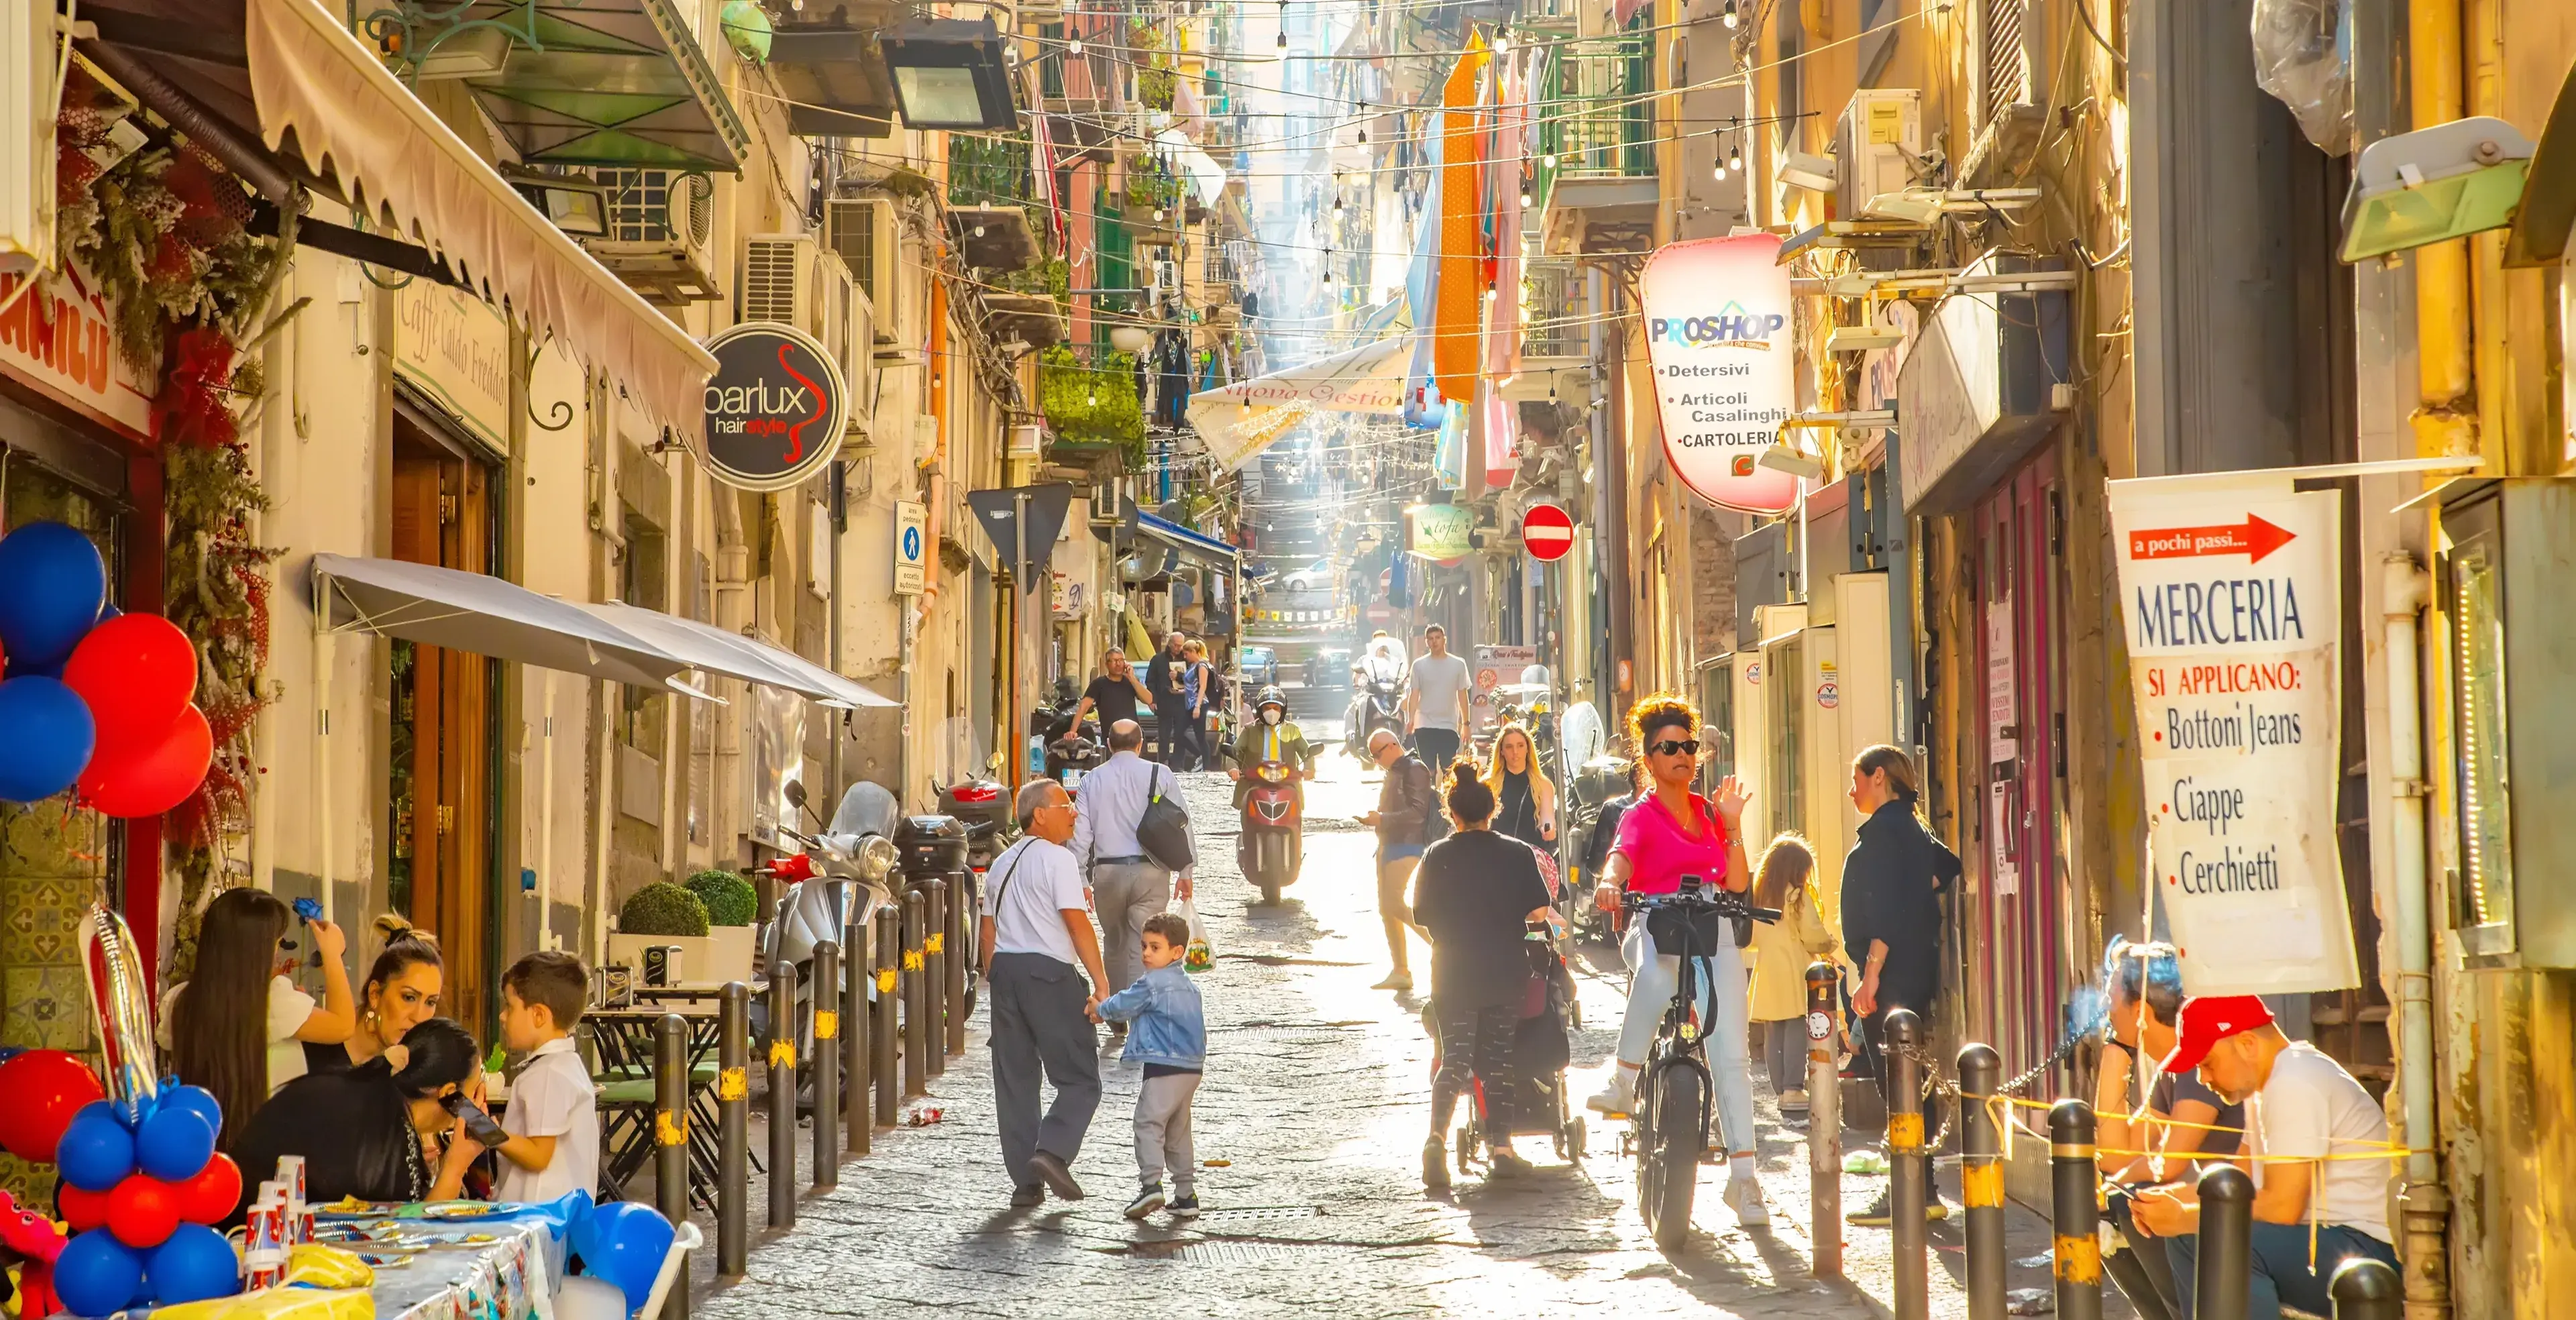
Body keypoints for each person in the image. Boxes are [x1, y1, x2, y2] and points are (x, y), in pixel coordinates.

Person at [1585, 695, 1766, 1227]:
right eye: (1669, 748)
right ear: (1649, 759)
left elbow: (1736, 881)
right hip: (1655, 920)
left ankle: (1744, 1181)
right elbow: (1621, 856)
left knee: (1732, 1055)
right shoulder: (1639, 814)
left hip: (1710, 924)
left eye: (1688, 746)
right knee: (1656, 971)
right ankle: (1623, 1080)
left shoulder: (1710, 813)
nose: (1682, 755)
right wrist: (1609, 884)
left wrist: (1732, 824)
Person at [2134, 995, 2397, 1320]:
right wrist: (2173, 1200)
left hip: (2364, 1252)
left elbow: (2284, 1208)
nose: (2203, 1079)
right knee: (2192, 1233)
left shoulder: (2294, 1080)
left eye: (2208, 1063)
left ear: (2247, 1044)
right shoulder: (2268, 1082)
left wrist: (2186, 1216)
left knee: (2204, 1236)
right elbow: (2236, 1185)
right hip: (2332, 1243)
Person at [1410, 759, 1553, 1189]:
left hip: (1453, 971)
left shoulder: (1437, 854)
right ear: (1493, 810)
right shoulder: (1518, 853)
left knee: (1454, 1059)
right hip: (1504, 969)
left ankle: (1435, 1140)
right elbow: (1540, 911)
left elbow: (1420, 914)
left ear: (1452, 813)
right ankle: (1502, 1149)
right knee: (1497, 1060)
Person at [1839, 742, 1962, 1227]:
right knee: (1908, 1080)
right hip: (1909, 968)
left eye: (1856, 780)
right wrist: (1918, 893)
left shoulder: (1889, 829)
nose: (1852, 791)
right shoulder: (1908, 826)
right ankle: (1921, 1189)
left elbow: (1888, 909)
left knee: (1898, 1084)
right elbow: (1946, 867)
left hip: (1891, 974)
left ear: (1878, 778)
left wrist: (1871, 974)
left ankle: (1909, 1191)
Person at [978, 779, 1114, 1207]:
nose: (1074, 812)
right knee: (1080, 1078)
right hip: (1049, 975)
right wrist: (1101, 983)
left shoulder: (1001, 864)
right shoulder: (1058, 859)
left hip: (1006, 974)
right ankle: (1052, 1152)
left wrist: (998, 977)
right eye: (1064, 805)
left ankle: (1026, 1185)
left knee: (1015, 1082)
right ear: (1039, 814)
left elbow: (987, 932)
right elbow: (1076, 923)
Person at [2096, 939, 2242, 1320]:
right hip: (2216, 1210)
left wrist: (2111, 1185)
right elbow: (2116, 1156)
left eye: (2111, 996)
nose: (2105, 1007)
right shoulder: (2172, 1067)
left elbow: (2168, 1164)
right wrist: (2116, 1050)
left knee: (2133, 1197)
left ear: (2140, 1011)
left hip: (2243, 1213)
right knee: (2115, 1200)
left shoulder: (2199, 1059)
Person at [229, 1017, 484, 1222]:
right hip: (258, 1245)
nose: (473, 1106)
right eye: (473, 1093)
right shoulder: (389, 1131)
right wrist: (456, 1165)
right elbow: (413, 1235)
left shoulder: (371, 1093)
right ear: (449, 1093)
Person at [162, 888, 358, 1148]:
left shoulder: (179, 1000)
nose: (277, 951)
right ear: (256, 952)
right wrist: (332, 955)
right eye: (275, 943)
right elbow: (343, 1025)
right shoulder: (271, 1003)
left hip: (194, 1144)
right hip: (260, 1143)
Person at [1071, 719, 1195, 1017]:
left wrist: (1080, 879)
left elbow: (1080, 835)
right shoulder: (1159, 774)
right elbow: (1182, 823)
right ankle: (1140, 1013)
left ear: (1108, 745)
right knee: (1147, 944)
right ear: (1140, 745)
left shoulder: (1091, 780)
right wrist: (1186, 871)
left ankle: (1115, 1013)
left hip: (1108, 874)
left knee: (1114, 943)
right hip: (1151, 871)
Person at [1091, 912, 1208, 1221]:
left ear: (1177, 952)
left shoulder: (1153, 983)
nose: (1146, 953)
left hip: (1163, 1064)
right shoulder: (1190, 987)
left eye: (1155, 948)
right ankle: (1186, 1195)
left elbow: (1124, 1004)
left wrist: (1100, 1009)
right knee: (1178, 1132)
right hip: (1191, 1068)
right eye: (1144, 946)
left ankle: (1151, 1185)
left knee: (1148, 1123)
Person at [488, 950, 600, 1203]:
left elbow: (538, 1156)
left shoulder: (549, 1073)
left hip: (540, 1217)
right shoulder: (564, 1065)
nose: (503, 1016)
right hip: (558, 1216)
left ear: (539, 1015)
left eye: (510, 1006)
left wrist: (489, 1133)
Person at [1744, 835, 1837, 1111]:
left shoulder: (1759, 896)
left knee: (1774, 1032)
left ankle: (1781, 1089)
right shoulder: (1797, 896)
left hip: (1766, 970)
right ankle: (1793, 1089)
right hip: (1794, 969)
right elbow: (1812, 934)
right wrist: (1829, 945)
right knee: (1797, 1027)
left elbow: (1751, 938)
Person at [305, 915, 444, 1075]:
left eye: (430, 1002)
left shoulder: (415, 1072)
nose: (419, 1018)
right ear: (375, 994)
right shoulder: (312, 1054)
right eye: (409, 997)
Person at [1360, 727, 1442, 991]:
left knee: (1394, 904)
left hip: (1408, 845)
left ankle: (1443, 945)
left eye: (1377, 754)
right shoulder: (1397, 770)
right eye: (1372, 756)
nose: (1375, 760)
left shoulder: (1413, 769)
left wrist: (1382, 819)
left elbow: (1418, 812)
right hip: (1390, 844)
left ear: (1393, 746)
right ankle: (1401, 970)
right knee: (1387, 909)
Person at [1226, 685, 1316, 810]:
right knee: (1248, 808)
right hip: (1256, 782)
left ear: (1282, 710)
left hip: (1287, 782)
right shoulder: (1250, 730)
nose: (1272, 712)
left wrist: (1309, 768)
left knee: (1296, 810)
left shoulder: (1293, 730)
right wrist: (1233, 768)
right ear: (1260, 710)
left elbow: (1307, 752)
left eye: (1276, 708)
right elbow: (1234, 751)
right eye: (1267, 708)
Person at [1483, 721, 1558, 855]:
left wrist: (1548, 829)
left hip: (1530, 856)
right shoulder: (1488, 784)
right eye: (1509, 747)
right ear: (1501, 751)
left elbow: (1548, 818)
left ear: (1528, 748)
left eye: (1520, 746)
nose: (1515, 752)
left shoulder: (1543, 785)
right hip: (1495, 856)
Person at [1404, 624, 1472, 772]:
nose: (1434, 642)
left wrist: (1466, 724)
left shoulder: (1458, 664)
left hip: (1449, 724)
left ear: (1444, 640)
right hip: (1424, 723)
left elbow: (1462, 695)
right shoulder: (1418, 665)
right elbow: (1414, 694)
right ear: (1426, 642)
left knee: (1449, 769)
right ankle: (1430, 788)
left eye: (1437, 638)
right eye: (1430, 639)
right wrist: (1411, 719)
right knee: (1428, 770)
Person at [1073, 647, 1153, 731]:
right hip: (1111, 736)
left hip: (1133, 735)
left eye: (1121, 660)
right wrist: (1073, 731)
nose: (1118, 664)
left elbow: (1149, 700)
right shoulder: (1098, 684)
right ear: (1107, 664)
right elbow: (1083, 707)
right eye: (1114, 661)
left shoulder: (1131, 682)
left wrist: (1132, 679)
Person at [1146, 630, 1188, 764]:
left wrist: (1179, 676)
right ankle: (1163, 762)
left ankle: (1178, 764)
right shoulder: (1158, 660)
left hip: (1182, 703)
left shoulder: (1187, 660)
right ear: (1169, 644)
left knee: (1180, 734)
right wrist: (1152, 700)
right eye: (1176, 645)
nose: (1178, 648)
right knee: (1164, 735)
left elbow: (1194, 679)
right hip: (1164, 702)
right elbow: (1150, 681)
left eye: (1181, 645)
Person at [1177, 639, 1214, 770]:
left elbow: (1202, 686)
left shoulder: (1202, 666)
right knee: (1179, 733)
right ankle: (1200, 756)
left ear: (1193, 651)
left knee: (1200, 737)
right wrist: (1181, 691)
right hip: (1190, 705)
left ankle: (1206, 765)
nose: (1185, 657)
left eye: (1186, 654)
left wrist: (1198, 706)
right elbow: (1192, 686)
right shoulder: (1193, 666)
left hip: (1199, 705)